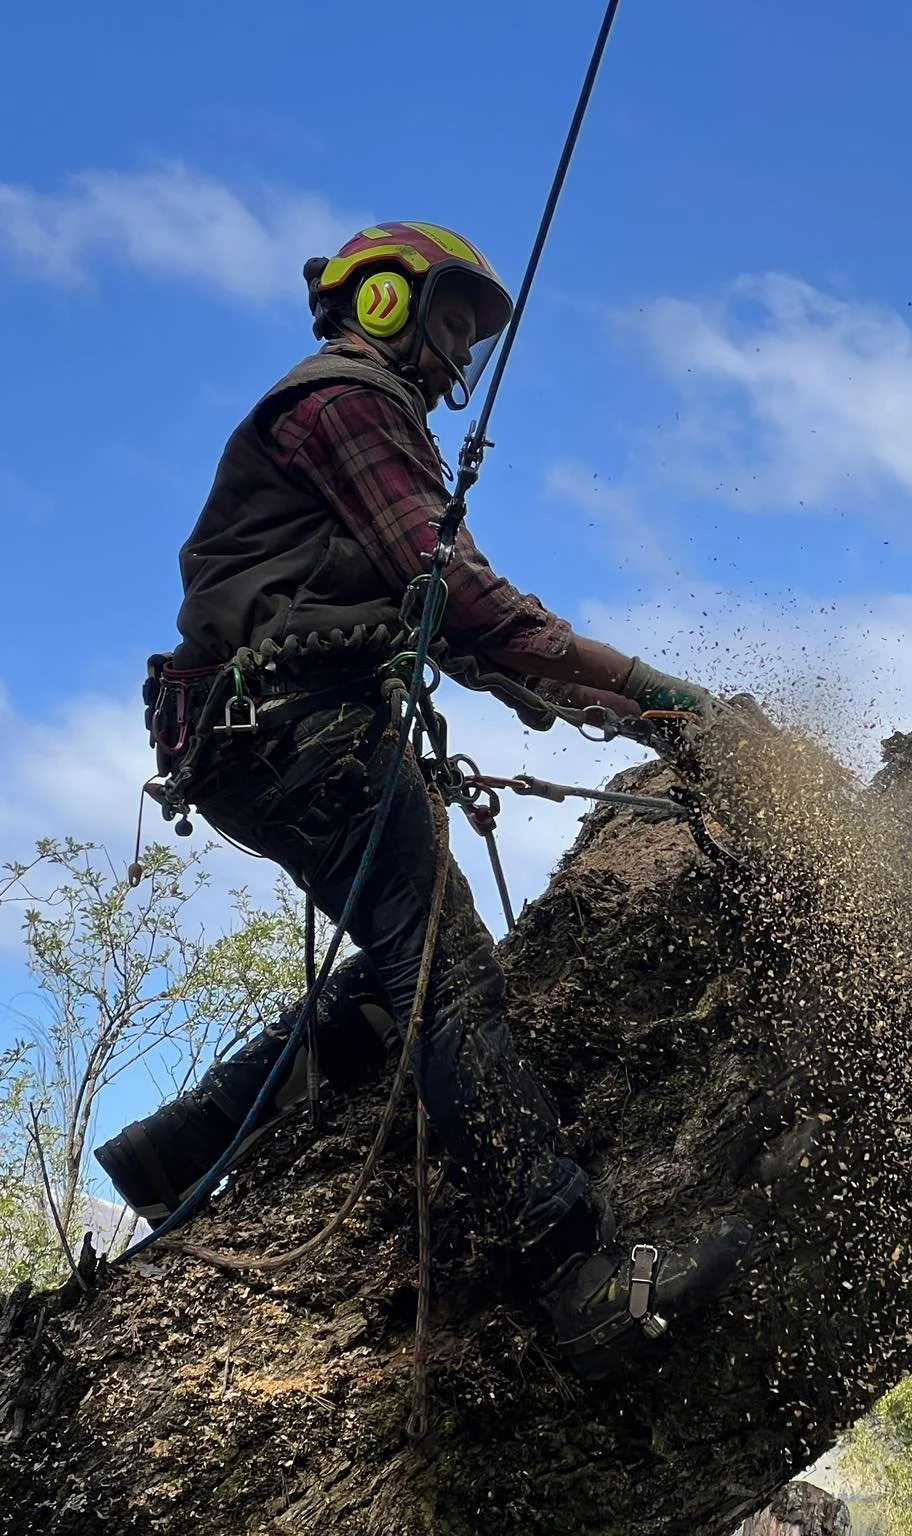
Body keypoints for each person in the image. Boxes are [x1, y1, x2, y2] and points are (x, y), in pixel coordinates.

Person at [94, 221, 749, 1380]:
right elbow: (469, 604)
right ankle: (579, 1275)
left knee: (406, 963)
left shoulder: (344, 413)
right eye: (451, 325)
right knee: (448, 980)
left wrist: (620, 713)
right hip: (300, 731)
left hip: (270, 737)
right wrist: (653, 687)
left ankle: (179, 1145)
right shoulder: (347, 401)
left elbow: (465, 636)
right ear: (385, 301)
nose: (458, 361)